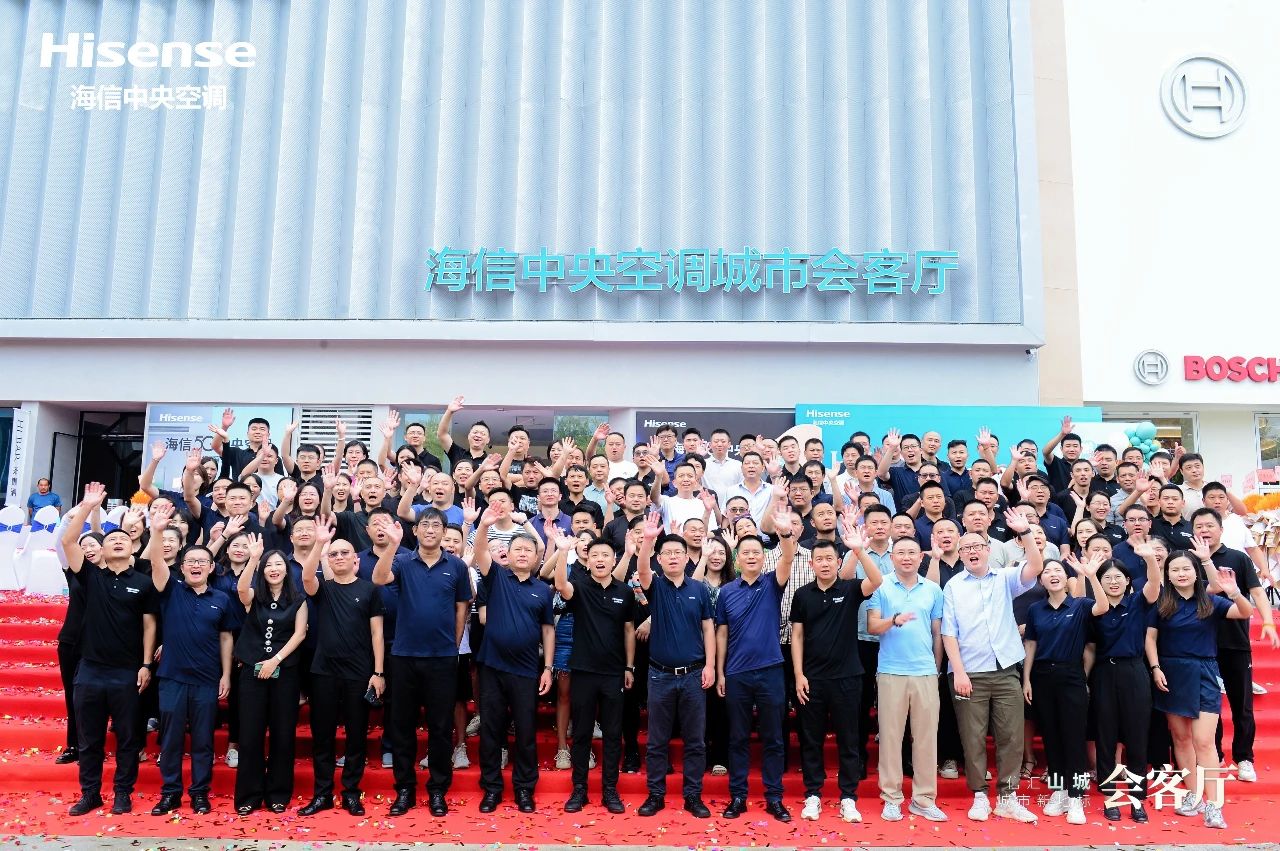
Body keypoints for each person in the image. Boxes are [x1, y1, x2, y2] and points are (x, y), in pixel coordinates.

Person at [59, 484, 157, 817]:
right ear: (101, 548)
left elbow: (149, 626)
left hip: (126, 672)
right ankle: (90, 793)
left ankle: (122, 793)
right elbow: (68, 542)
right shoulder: (91, 576)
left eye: (123, 540)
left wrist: (146, 664)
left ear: (132, 549)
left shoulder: (142, 582)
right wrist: (88, 507)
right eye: (111, 538)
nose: (117, 541)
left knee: (128, 738)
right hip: (90, 669)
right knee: (90, 738)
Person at [942, 510, 1044, 824]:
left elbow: (1036, 567)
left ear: (988, 549)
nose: (972, 552)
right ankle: (979, 795)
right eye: (966, 548)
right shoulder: (953, 586)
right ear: (960, 554)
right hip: (969, 673)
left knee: (1011, 735)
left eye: (977, 547)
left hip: (1005, 669)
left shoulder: (1005, 578)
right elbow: (948, 632)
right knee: (972, 737)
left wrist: (1025, 532)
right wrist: (958, 671)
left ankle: (1007, 797)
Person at [371, 508, 473, 817]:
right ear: (415, 531)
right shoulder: (402, 561)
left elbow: (461, 608)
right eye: (424, 525)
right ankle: (404, 789)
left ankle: (438, 789)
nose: (429, 530)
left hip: (442, 658)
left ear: (444, 531)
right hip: (404, 656)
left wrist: (453, 646)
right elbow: (378, 578)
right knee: (402, 726)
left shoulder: (456, 566)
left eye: (435, 525)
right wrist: (392, 544)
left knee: (441, 727)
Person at [1148, 549, 1253, 829]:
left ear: (1196, 572)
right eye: (1175, 569)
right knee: (1181, 739)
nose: (1181, 574)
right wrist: (1156, 667)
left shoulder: (1211, 601)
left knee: (1204, 741)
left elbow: (1245, 612)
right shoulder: (1161, 602)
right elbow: (1150, 638)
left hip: (1204, 671)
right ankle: (1194, 796)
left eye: (1186, 568)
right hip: (1170, 673)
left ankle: (1214, 805)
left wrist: (1234, 592)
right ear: (1167, 574)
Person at [791, 526, 885, 823]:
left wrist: (859, 550)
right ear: (811, 564)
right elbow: (797, 636)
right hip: (812, 679)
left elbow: (877, 580)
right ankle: (813, 795)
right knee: (811, 739)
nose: (825, 564)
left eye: (829, 559)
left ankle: (848, 797)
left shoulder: (850, 589)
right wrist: (798, 674)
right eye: (819, 559)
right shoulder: (802, 595)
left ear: (838, 561)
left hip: (847, 678)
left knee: (849, 739)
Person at [147, 505, 234, 816]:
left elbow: (226, 638)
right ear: (182, 567)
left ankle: (199, 793)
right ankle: (170, 793)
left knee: (203, 740)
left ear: (211, 567)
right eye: (191, 562)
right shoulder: (171, 589)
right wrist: (157, 531)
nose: (196, 566)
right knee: (170, 739)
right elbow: (156, 561)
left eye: (202, 562)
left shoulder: (222, 598)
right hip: (172, 677)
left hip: (206, 679)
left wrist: (226, 675)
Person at [715, 507, 799, 822]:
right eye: (745, 552)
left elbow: (788, 557)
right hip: (737, 673)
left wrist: (784, 532)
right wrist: (720, 671)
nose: (751, 556)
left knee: (774, 738)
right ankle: (738, 796)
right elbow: (721, 634)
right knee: (737, 737)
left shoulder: (772, 583)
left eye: (756, 552)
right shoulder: (726, 592)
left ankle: (774, 797)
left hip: (771, 671)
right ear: (737, 558)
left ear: (763, 558)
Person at [299, 521, 386, 817]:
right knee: (322, 736)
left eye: (344, 553)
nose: (338, 557)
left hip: (359, 673)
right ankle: (322, 794)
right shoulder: (323, 589)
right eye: (333, 554)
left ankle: (351, 792)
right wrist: (319, 544)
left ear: (355, 559)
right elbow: (306, 576)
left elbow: (377, 634)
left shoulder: (370, 590)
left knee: (356, 735)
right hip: (324, 672)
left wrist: (378, 672)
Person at [472, 514, 555, 814]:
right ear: (508, 553)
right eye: (517, 548)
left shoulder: (542, 589)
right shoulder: (496, 577)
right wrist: (483, 525)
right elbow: (480, 551)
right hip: (492, 667)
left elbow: (548, 630)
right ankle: (492, 788)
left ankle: (524, 789)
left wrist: (548, 668)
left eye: (528, 550)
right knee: (491, 730)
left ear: (536, 557)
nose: (522, 553)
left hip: (526, 670)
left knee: (525, 731)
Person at [634, 512, 715, 819]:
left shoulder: (699, 588)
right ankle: (655, 794)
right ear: (660, 558)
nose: (672, 557)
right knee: (657, 741)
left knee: (695, 741)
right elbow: (642, 569)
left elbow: (708, 628)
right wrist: (648, 541)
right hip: (660, 675)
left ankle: (693, 796)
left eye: (677, 552)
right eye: (666, 553)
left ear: (686, 557)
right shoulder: (655, 586)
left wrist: (710, 665)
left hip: (694, 674)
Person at [550, 530, 636, 814]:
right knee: (582, 732)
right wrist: (563, 550)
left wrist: (629, 666)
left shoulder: (624, 592)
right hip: (583, 671)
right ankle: (579, 789)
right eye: (595, 555)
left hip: (614, 673)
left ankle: (610, 790)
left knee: (612, 733)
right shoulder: (580, 587)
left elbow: (628, 631)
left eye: (605, 555)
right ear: (588, 561)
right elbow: (560, 584)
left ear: (613, 560)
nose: (600, 559)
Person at [1189, 508, 1275, 783]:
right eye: (1199, 526)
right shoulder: (1188, 559)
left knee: (1242, 704)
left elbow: (1257, 591)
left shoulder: (1237, 557)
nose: (1204, 530)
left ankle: (1244, 758)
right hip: (1202, 644)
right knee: (1208, 706)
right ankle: (1215, 756)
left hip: (1235, 641)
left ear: (1221, 530)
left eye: (1209, 525)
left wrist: (1268, 621)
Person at [866, 536, 948, 823]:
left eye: (912, 552)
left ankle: (924, 799)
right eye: (900, 552)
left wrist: (936, 668)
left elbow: (937, 632)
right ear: (892, 557)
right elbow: (872, 626)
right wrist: (893, 620)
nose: (906, 557)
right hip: (891, 671)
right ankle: (891, 798)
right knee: (890, 737)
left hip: (925, 671)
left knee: (926, 738)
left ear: (921, 557)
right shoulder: (881, 586)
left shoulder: (933, 590)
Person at [1020, 555, 1100, 825]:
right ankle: (1059, 791)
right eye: (1047, 571)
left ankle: (1076, 796)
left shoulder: (1080, 605)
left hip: (1071, 675)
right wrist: (1027, 679)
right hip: (1042, 676)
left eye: (1057, 570)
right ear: (1040, 580)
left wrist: (1090, 575)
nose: (1052, 574)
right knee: (1051, 738)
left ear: (1067, 578)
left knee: (1074, 738)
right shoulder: (1036, 609)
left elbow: (1102, 607)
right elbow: (1031, 644)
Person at [1083, 552, 1161, 822]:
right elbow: (1090, 649)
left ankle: (1138, 800)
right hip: (1104, 673)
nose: (1113, 582)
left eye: (1119, 577)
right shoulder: (1095, 609)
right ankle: (1110, 798)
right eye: (1107, 578)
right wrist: (1086, 680)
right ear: (1099, 582)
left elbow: (1154, 584)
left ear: (1128, 581)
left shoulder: (1138, 602)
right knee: (1105, 738)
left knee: (1137, 738)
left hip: (1134, 671)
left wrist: (1150, 559)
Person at [233, 539, 308, 815]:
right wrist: (253, 558)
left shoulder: (298, 600)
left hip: (284, 673)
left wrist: (275, 660)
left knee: (283, 734)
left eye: (279, 564)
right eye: (268, 565)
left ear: (287, 569)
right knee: (250, 735)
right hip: (251, 673)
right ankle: (249, 795)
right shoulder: (254, 596)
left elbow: (300, 634)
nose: (274, 569)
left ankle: (278, 793)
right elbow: (241, 589)